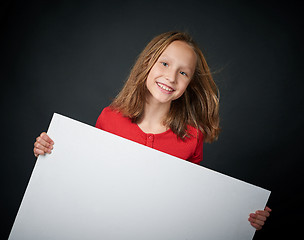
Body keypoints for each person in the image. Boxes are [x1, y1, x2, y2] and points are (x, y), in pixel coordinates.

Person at [33, 31, 271, 230]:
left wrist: (246, 214)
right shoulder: (110, 117)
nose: (171, 76)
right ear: (148, 63)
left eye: (183, 72)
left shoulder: (191, 137)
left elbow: (192, 201)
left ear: (189, 84)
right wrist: (50, 152)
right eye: (165, 63)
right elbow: (87, 174)